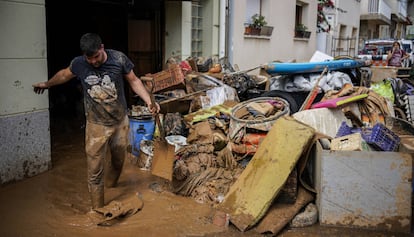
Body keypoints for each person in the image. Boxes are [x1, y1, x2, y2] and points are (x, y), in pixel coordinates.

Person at [33, 33, 160, 210]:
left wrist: (148, 100)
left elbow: (134, 80)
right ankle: (98, 210)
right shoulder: (79, 63)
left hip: (120, 122)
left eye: (96, 57)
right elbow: (64, 75)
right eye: (89, 58)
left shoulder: (118, 59)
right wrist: (47, 84)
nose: (93, 62)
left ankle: (111, 186)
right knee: (94, 171)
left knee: (118, 161)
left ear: (102, 47)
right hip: (96, 126)